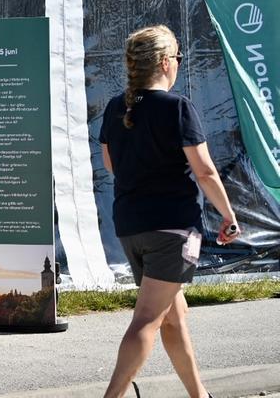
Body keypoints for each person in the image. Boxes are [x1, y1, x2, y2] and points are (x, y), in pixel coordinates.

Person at [99, 25, 240, 398]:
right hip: (173, 230)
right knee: (147, 320)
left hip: (131, 227)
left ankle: (200, 395)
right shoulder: (178, 107)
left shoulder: (116, 107)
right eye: (177, 57)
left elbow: (111, 162)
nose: (179, 63)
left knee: (173, 318)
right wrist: (228, 216)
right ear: (164, 62)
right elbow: (205, 171)